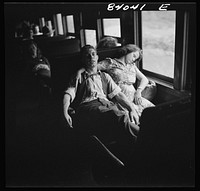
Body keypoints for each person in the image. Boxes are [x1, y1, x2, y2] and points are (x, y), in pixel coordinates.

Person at [63, 45, 140, 148]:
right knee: (117, 115)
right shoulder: (78, 77)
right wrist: (64, 113)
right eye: (87, 56)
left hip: (107, 105)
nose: (91, 58)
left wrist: (131, 109)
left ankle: (139, 141)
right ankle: (143, 140)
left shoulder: (105, 76)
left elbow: (118, 94)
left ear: (97, 57)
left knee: (122, 115)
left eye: (93, 54)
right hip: (88, 107)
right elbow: (68, 95)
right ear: (83, 60)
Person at [77, 44, 155, 117]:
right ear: (128, 51)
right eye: (133, 56)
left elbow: (144, 79)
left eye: (135, 59)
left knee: (153, 110)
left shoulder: (132, 66)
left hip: (134, 97)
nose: (133, 59)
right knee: (131, 118)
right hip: (121, 99)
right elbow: (92, 66)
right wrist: (79, 71)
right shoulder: (110, 63)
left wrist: (139, 91)